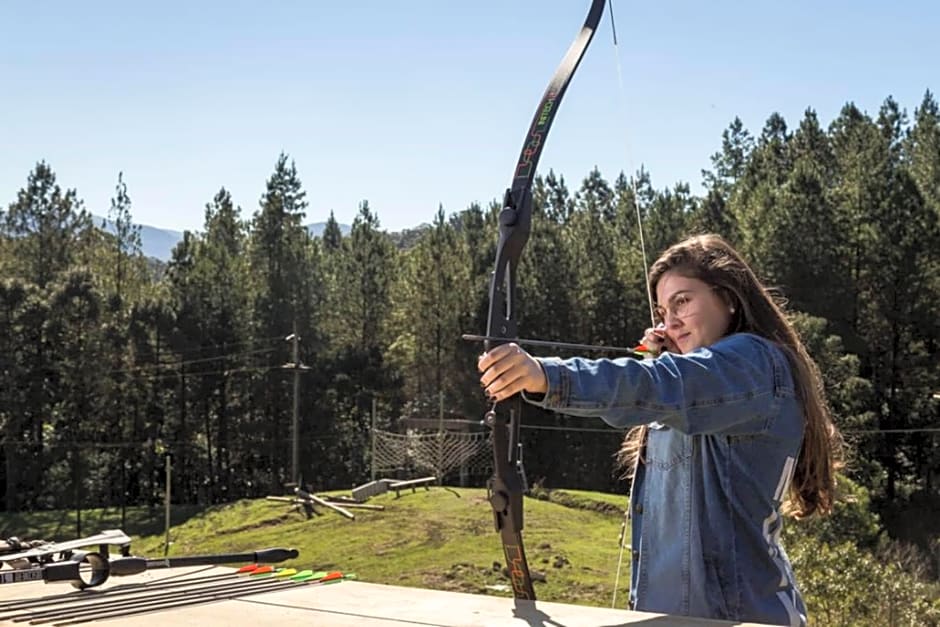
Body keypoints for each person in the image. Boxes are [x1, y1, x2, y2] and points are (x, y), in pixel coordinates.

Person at [477, 233, 843, 627]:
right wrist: (651, 358)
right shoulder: (700, 380)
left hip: (740, 617)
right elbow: (652, 393)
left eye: (683, 301)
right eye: (663, 311)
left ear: (729, 298)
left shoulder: (752, 361)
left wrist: (546, 375)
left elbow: (654, 385)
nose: (671, 321)